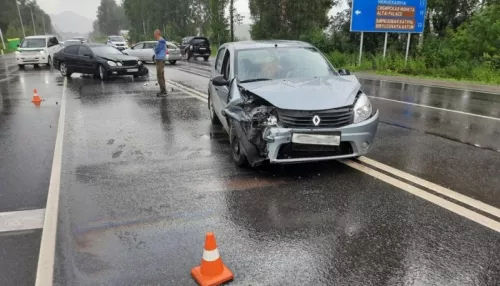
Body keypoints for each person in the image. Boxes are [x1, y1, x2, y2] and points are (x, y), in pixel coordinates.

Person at [154, 29, 167, 97]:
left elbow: (157, 49)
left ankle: (163, 91)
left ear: (157, 34)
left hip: (160, 60)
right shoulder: (160, 40)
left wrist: (155, 49)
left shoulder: (161, 41)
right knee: (161, 75)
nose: (154, 35)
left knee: (160, 76)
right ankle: (163, 90)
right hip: (160, 59)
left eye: (154, 34)